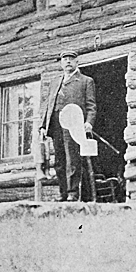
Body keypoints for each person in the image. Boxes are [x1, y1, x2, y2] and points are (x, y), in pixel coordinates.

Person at [40, 50, 97, 202]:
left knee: (73, 159)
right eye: (65, 59)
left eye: (71, 59)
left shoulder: (86, 81)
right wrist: (43, 125)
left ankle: (73, 192)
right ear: (61, 63)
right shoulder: (55, 82)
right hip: (56, 125)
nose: (68, 62)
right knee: (59, 161)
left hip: (74, 124)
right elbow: (48, 105)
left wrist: (89, 122)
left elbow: (91, 106)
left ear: (77, 62)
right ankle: (62, 192)